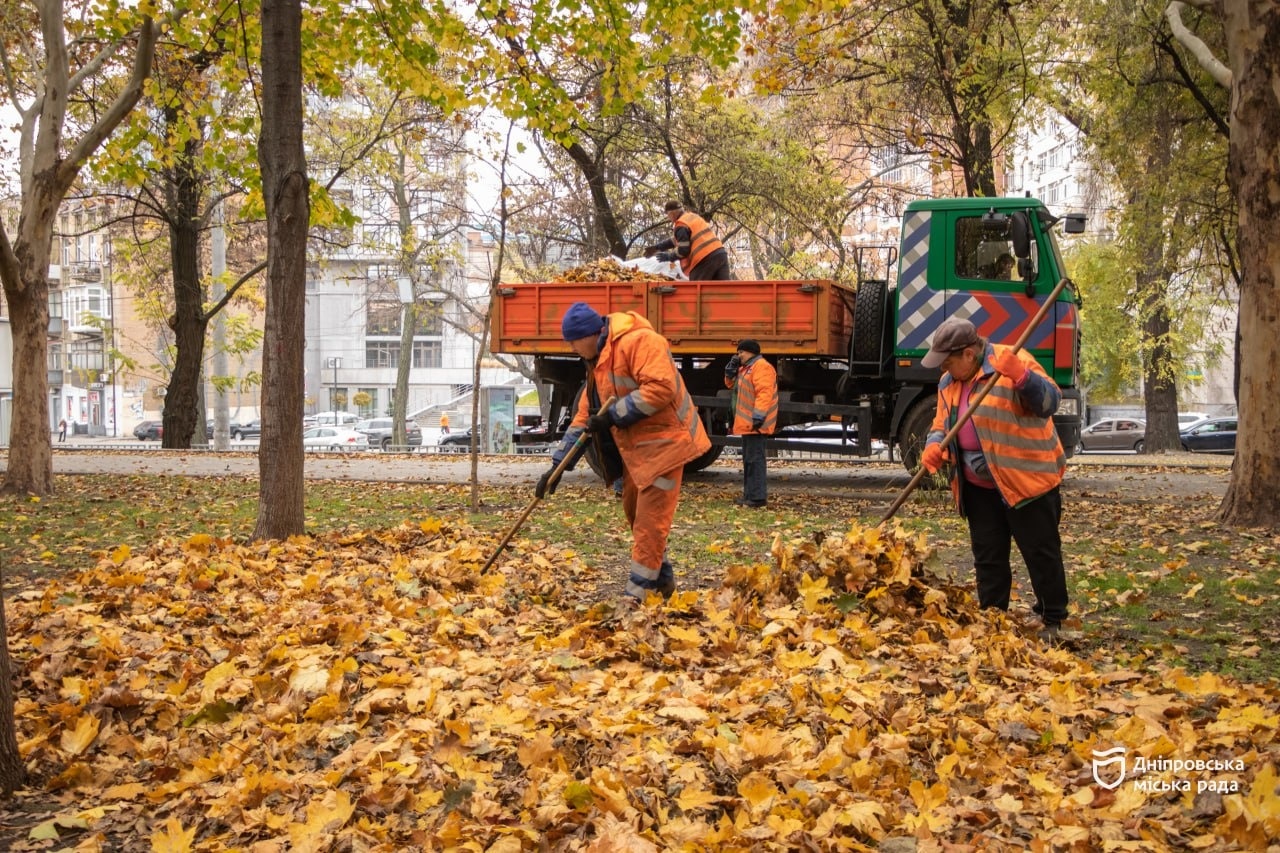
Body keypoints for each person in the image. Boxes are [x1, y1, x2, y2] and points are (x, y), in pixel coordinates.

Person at [536, 302, 711, 604]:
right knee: (634, 515)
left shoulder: (640, 341)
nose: (572, 349)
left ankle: (636, 598)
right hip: (638, 452)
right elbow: (583, 418)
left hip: (668, 445)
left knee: (649, 524)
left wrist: (614, 414)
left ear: (588, 334)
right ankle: (664, 584)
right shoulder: (599, 360)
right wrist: (556, 468)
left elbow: (661, 388)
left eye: (573, 342)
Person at [919, 317, 1069, 641]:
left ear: (969, 355)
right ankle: (992, 618)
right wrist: (934, 444)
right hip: (979, 488)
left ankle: (1052, 618)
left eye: (948, 361)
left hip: (1026, 481)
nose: (943, 369)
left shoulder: (1011, 360)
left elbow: (1050, 402)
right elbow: (940, 423)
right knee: (988, 556)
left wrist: (1022, 377)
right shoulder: (949, 382)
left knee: (1040, 553)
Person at [724, 339, 777, 508]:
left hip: (756, 424)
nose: (738, 356)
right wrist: (730, 372)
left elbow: (764, 393)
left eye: (741, 353)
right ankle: (750, 496)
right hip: (749, 423)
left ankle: (756, 498)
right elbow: (731, 385)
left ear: (750, 352)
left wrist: (758, 416)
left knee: (754, 460)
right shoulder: (747, 368)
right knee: (749, 460)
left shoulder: (761, 367)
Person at [643, 200, 733, 281]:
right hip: (720, 254)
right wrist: (657, 247)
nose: (669, 219)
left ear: (672, 214)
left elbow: (683, 250)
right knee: (723, 292)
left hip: (704, 259)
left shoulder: (681, 225)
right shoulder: (693, 218)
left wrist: (669, 256)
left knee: (696, 291)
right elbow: (676, 240)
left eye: (668, 215)